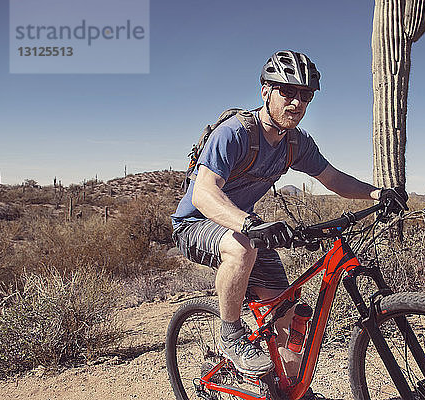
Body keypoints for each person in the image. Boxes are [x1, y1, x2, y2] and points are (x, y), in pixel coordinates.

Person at [171, 50, 407, 392]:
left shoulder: (295, 143)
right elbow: (203, 194)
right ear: (266, 91)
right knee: (240, 247)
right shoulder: (235, 134)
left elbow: (333, 178)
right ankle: (231, 335)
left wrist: (377, 194)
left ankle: (293, 390)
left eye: (305, 96)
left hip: (247, 230)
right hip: (197, 225)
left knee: (286, 318)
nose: (296, 103)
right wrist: (248, 224)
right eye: (288, 92)